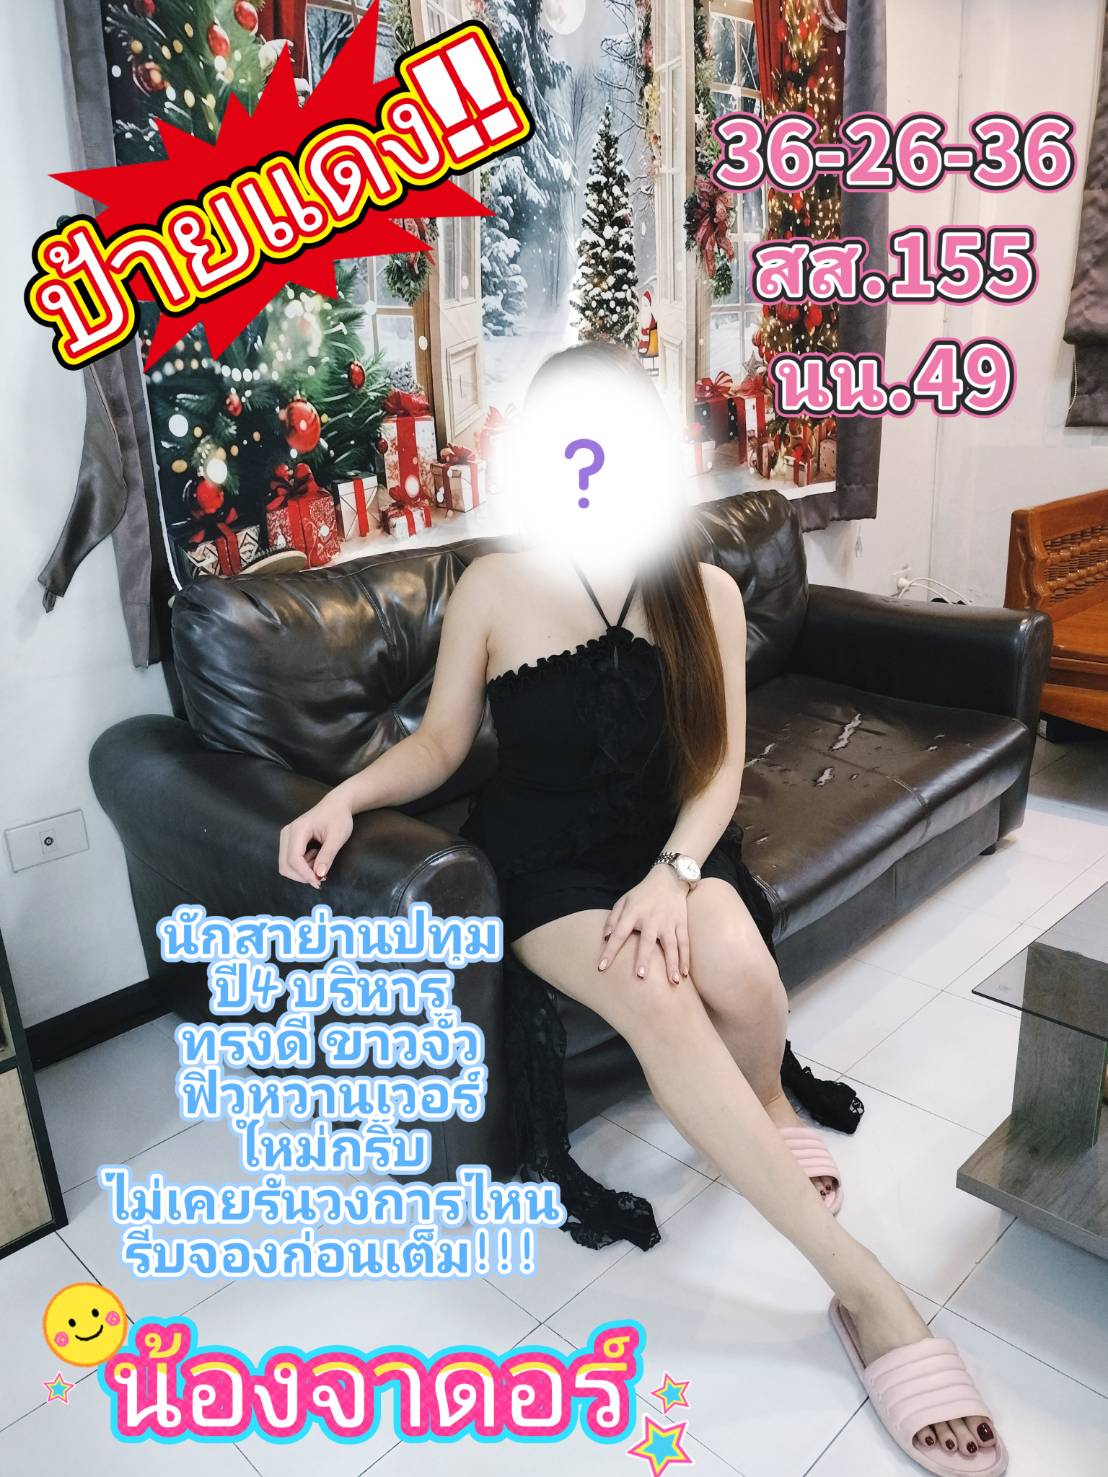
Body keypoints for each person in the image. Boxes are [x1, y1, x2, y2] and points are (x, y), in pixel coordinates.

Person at [278, 344, 1005, 1475]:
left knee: (743, 975)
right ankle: (868, 1294)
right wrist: (344, 795)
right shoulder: (495, 586)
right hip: (547, 865)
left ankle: (764, 1101)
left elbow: (715, 769)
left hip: (666, 843)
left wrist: (674, 874)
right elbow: (441, 743)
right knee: (663, 993)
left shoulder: (701, 587)